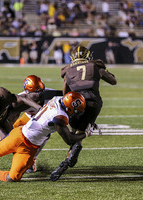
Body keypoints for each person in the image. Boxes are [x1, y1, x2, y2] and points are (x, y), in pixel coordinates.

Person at [0, 91, 90, 182]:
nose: (76, 113)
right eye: (76, 111)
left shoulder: (58, 99)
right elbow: (69, 140)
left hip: (30, 148)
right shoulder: (59, 117)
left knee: (12, 178)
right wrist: (86, 133)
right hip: (18, 137)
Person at [50, 45, 117, 181]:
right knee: (80, 133)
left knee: (74, 132)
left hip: (75, 103)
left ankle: (70, 156)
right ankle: (67, 162)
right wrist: (103, 71)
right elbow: (113, 81)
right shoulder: (95, 66)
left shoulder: (68, 70)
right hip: (93, 103)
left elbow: (65, 92)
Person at [13, 75, 63, 173]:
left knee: (43, 136)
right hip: (27, 117)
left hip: (41, 119)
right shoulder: (21, 98)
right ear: (28, 92)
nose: (39, 94)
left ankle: (33, 159)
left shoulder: (51, 94)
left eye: (41, 91)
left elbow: (64, 96)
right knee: (8, 136)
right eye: (36, 92)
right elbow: (13, 114)